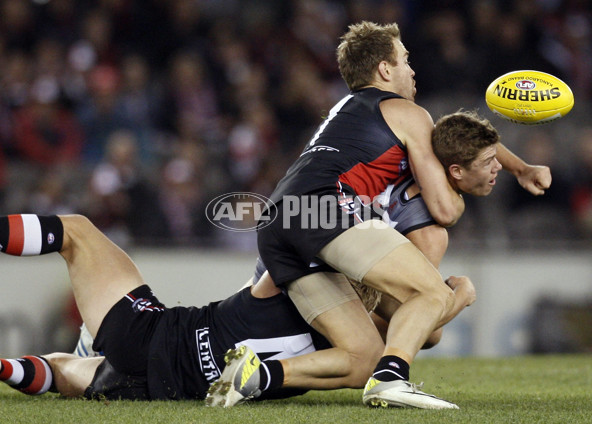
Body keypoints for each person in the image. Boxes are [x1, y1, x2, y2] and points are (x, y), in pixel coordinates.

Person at [206, 21, 551, 410]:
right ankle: (391, 380)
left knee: (364, 358)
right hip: (324, 210)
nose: (412, 70)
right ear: (385, 70)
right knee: (433, 292)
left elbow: (449, 137)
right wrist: (463, 283)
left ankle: (253, 375)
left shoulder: (347, 110)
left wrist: (519, 167)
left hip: (280, 221)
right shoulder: (407, 111)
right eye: (405, 60)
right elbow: (443, 209)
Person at [0, 214, 330, 400]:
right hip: (154, 390)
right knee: (60, 368)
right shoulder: (335, 357)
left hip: (148, 335)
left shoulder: (278, 287)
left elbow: (286, 239)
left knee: (75, 231)